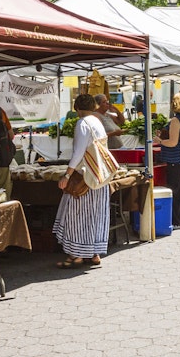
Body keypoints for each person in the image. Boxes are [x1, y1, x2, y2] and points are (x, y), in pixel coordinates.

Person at [53, 94, 110, 268]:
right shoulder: (97, 122)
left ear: (77, 108)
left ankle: (75, 255)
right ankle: (94, 254)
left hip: (85, 178)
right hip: (99, 176)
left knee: (77, 216)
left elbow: (78, 153)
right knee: (95, 216)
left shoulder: (83, 123)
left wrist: (67, 175)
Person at [156, 92, 180, 230]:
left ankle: (178, 221)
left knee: (175, 190)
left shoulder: (175, 120)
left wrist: (159, 141)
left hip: (174, 157)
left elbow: (172, 142)